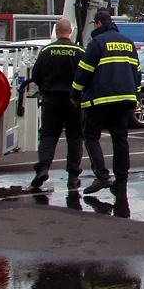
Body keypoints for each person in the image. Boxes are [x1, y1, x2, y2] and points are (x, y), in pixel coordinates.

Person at [71, 10, 140, 195]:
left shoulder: (97, 43)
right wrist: (136, 97)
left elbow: (83, 72)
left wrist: (75, 94)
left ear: (99, 24)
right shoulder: (128, 42)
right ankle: (121, 179)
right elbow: (137, 73)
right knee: (120, 138)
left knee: (91, 135)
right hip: (124, 99)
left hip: (100, 99)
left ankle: (102, 176)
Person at [29, 18, 86, 191]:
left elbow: (36, 75)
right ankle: (73, 175)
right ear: (70, 32)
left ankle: (43, 168)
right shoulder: (79, 51)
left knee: (48, 135)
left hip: (51, 99)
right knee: (75, 137)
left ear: (56, 31)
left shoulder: (46, 51)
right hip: (73, 100)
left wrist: (46, 89)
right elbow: (86, 75)